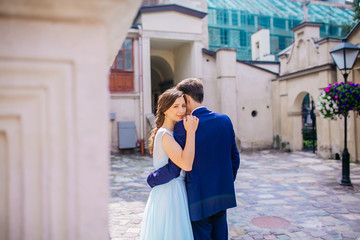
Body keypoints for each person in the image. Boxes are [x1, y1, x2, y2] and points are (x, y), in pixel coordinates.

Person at [147, 78, 240, 240]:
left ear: (187, 99)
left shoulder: (182, 126)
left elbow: (175, 167)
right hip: (222, 193)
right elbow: (235, 158)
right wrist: (224, 182)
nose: (181, 108)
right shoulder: (225, 120)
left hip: (198, 197)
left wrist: (153, 178)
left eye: (182, 103)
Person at [140, 88, 199, 240]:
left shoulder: (172, 132)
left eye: (183, 106)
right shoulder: (165, 134)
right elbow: (186, 165)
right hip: (169, 192)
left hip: (174, 190)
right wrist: (191, 132)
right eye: (175, 106)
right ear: (165, 110)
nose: (181, 110)